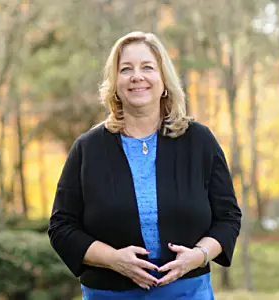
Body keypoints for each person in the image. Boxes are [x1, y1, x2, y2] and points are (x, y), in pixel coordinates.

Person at [48, 31, 242, 300]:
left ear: (164, 81)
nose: (136, 76)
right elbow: (62, 227)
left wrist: (198, 256)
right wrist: (113, 259)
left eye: (147, 67)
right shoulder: (88, 149)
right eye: (126, 69)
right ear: (115, 83)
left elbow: (228, 218)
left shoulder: (199, 141)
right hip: (109, 294)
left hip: (187, 293)